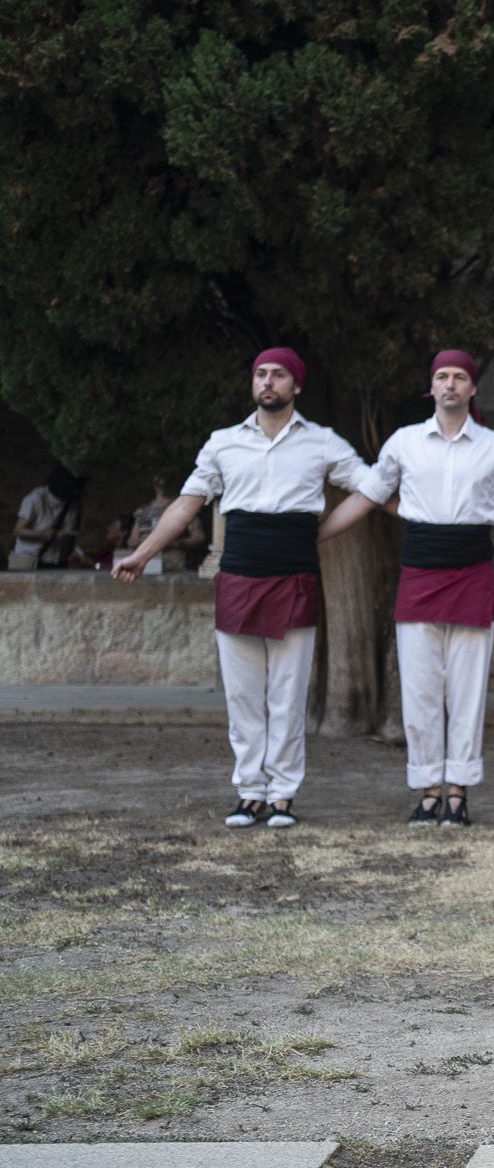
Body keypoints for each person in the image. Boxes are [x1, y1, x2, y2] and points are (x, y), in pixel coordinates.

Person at [318, 350, 494, 827]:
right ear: (430, 388)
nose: (449, 384)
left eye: (458, 377)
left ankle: (459, 792)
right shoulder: (404, 443)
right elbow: (366, 496)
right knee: (420, 688)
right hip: (420, 574)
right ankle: (428, 790)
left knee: (467, 690)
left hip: (472, 573)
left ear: (472, 389)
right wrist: (316, 538)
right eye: (441, 377)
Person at [114, 348, 366, 828]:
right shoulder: (223, 443)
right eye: (261, 374)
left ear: (297, 386)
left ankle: (283, 795)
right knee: (244, 695)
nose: (268, 381)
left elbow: (368, 488)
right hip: (239, 574)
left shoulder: (322, 442)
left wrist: (322, 531)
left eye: (278, 375)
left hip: (295, 573)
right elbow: (186, 504)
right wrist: (142, 553)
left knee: (288, 694)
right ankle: (250, 791)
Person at [12, 467, 85, 571]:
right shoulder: (36, 498)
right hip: (30, 559)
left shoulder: (74, 504)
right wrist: (43, 533)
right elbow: (18, 531)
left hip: (57, 561)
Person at [131, 477, 207, 569]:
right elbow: (132, 541)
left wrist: (176, 542)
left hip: (174, 561)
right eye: (158, 480)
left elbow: (198, 536)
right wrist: (146, 541)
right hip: (148, 563)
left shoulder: (184, 508)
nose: (162, 484)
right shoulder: (143, 510)